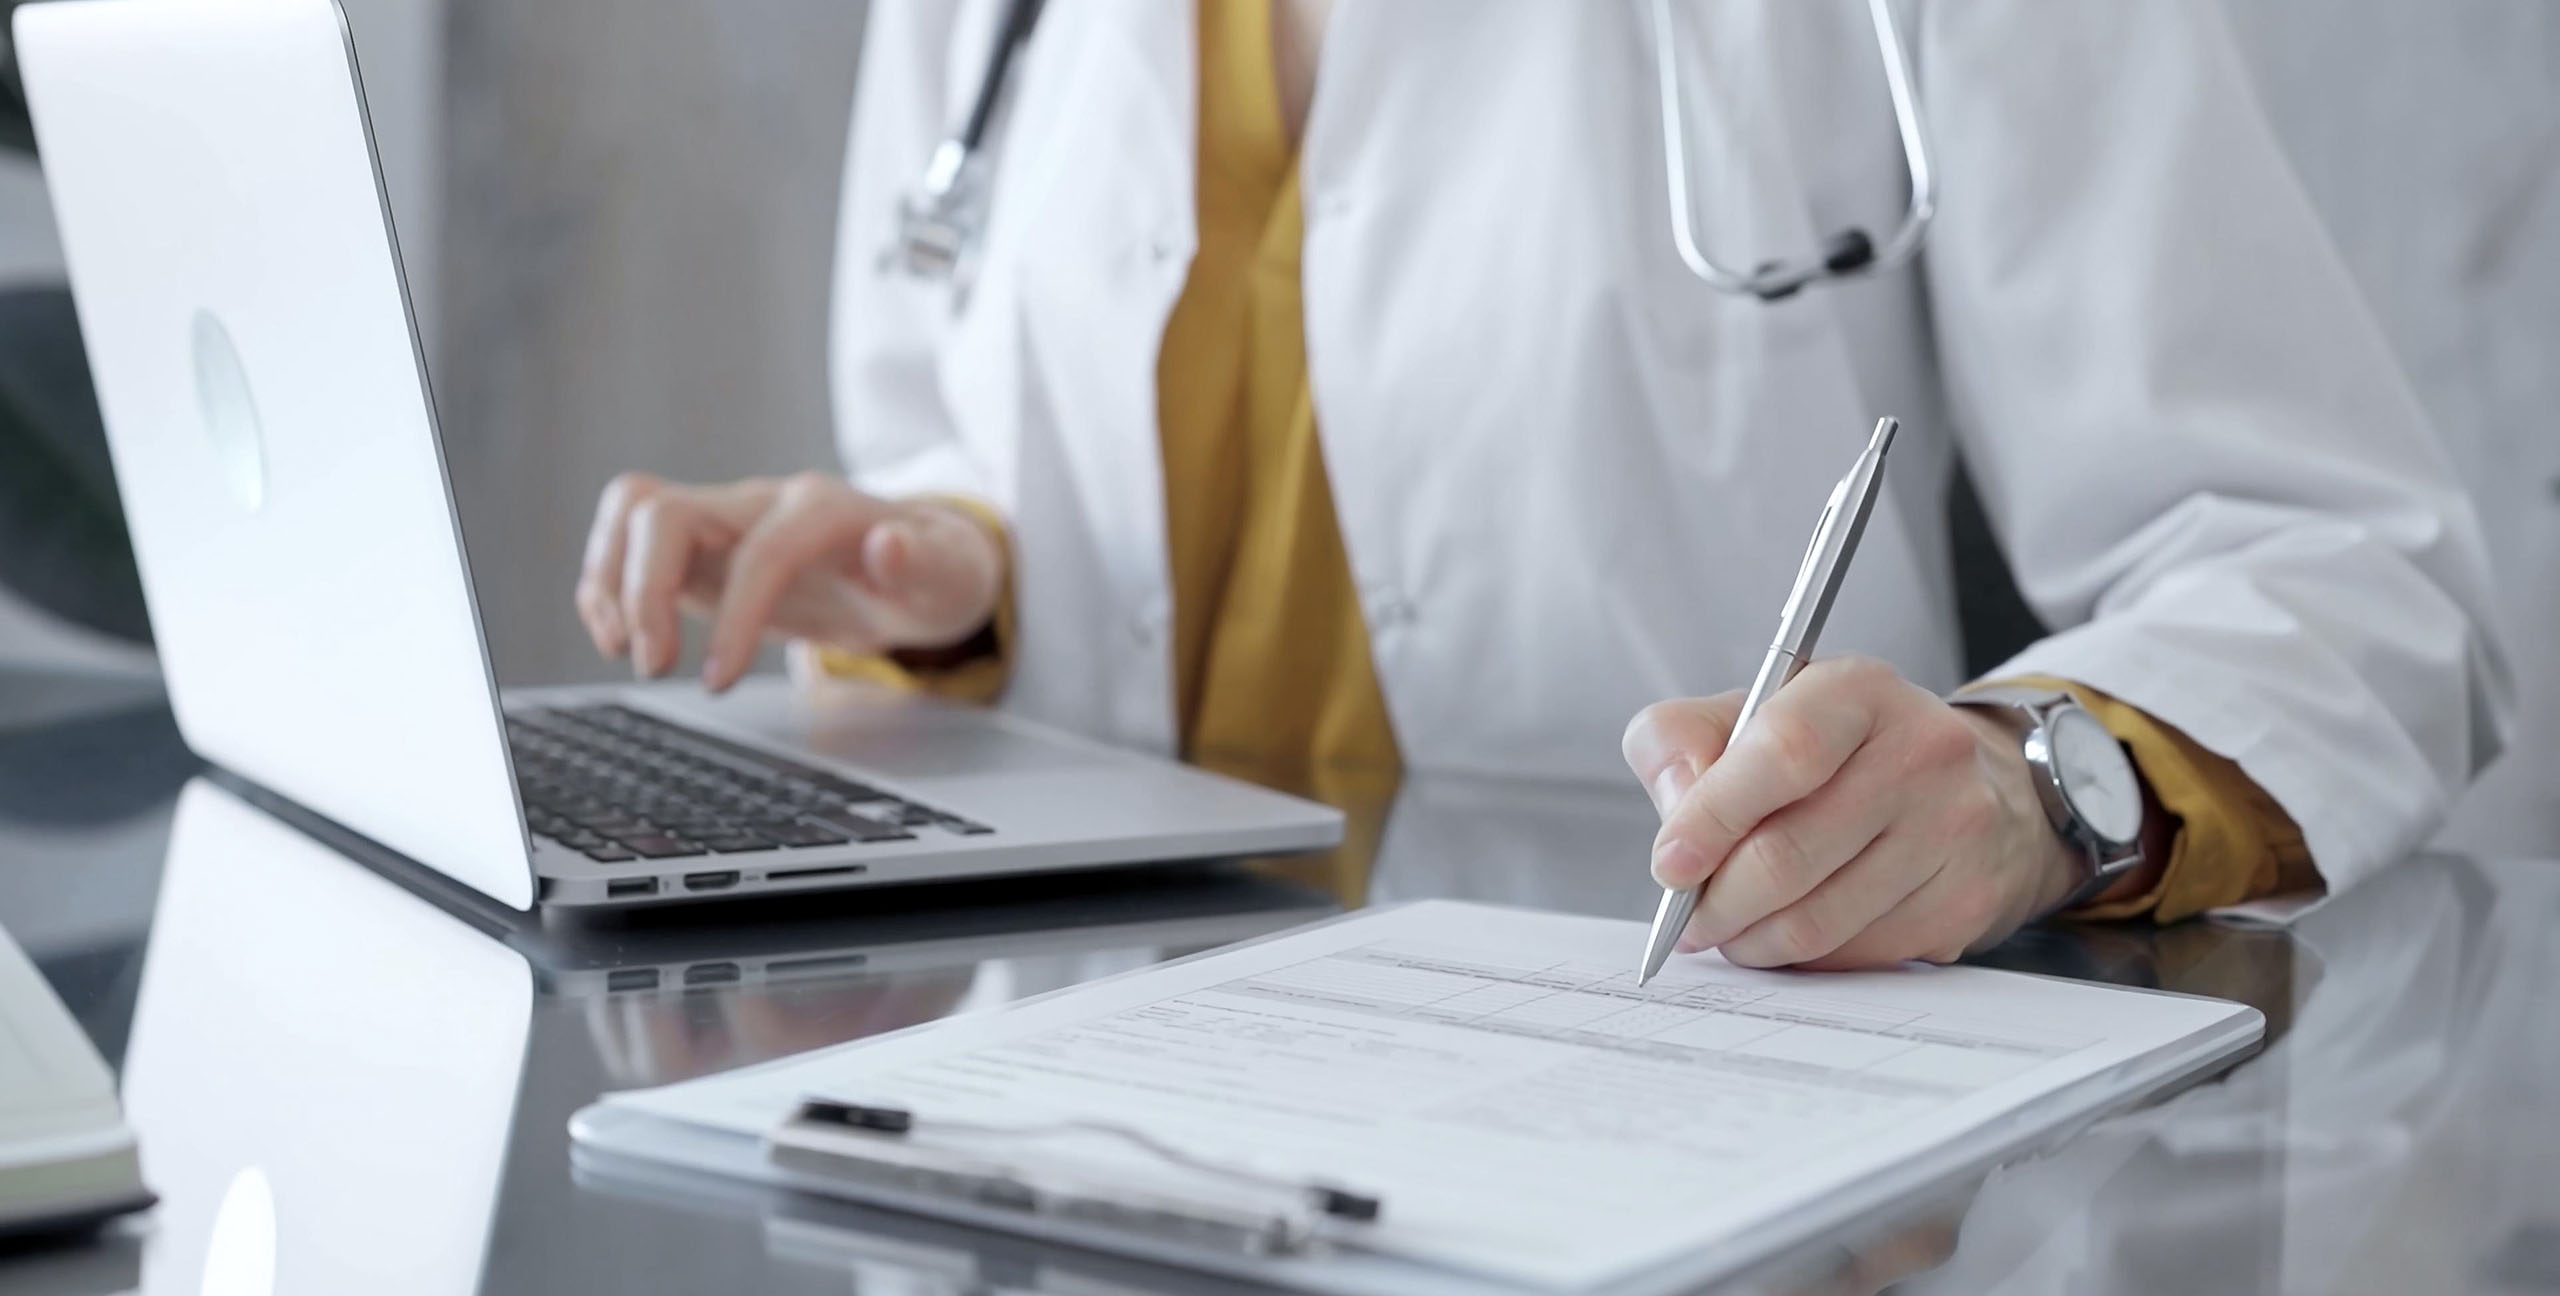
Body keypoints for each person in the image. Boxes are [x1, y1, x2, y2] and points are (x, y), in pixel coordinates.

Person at [573, 0, 2509, 968]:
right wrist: (951, 578)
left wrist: (2032, 792)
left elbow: (2342, 569)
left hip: (1695, 1117)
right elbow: (988, 421)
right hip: (1083, 1123)